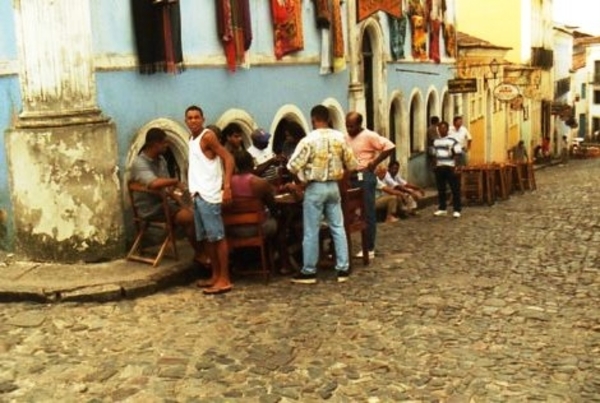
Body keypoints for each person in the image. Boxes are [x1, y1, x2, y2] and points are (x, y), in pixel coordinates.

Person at [286, 105, 358, 284]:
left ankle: (309, 270)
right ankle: (343, 268)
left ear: (313, 119)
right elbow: (352, 164)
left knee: (311, 230)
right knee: (338, 227)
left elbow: (292, 166)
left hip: (315, 187)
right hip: (333, 186)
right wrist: (342, 179)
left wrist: (301, 182)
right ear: (329, 119)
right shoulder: (340, 138)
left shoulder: (308, 140)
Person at [129, 128, 210, 267]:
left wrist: (184, 202)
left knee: (199, 210)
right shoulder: (139, 163)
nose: (167, 146)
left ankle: (205, 251)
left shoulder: (161, 160)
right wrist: (175, 181)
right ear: (155, 144)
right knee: (190, 218)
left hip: (166, 203)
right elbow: (154, 183)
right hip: (152, 208)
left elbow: (166, 188)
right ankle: (200, 253)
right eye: (164, 143)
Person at [185, 105, 235, 294]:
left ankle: (225, 278)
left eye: (197, 117)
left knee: (217, 237)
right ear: (186, 121)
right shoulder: (192, 139)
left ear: (203, 119)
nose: (193, 121)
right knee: (206, 238)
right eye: (190, 118)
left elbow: (228, 158)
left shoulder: (208, 136)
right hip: (198, 194)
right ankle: (215, 275)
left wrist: (227, 186)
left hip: (210, 195)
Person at [345, 111, 395, 259]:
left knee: (368, 211)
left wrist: (375, 162)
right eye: (347, 126)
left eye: (352, 126)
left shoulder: (369, 135)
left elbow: (389, 146)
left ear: (359, 124)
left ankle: (369, 247)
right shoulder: (345, 137)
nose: (349, 129)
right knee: (351, 212)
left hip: (365, 175)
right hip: (351, 175)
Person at [230, 149, 278, 237]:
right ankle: (276, 249)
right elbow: (273, 207)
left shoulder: (228, 183)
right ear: (251, 163)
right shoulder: (259, 183)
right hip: (257, 228)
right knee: (277, 221)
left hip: (233, 229)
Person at [431, 121, 462, 218]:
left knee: (454, 189)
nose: (441, 130)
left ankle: (457, 209)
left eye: (444, 128)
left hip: (450, 166)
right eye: (440, 128)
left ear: (447, 129)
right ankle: (442, 208)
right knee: (441, 189)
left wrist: (456, 166)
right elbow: (434, 153)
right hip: (440, 167)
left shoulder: (452, 140)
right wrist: (435, 165)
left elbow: (457, 153)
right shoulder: (436, 141)